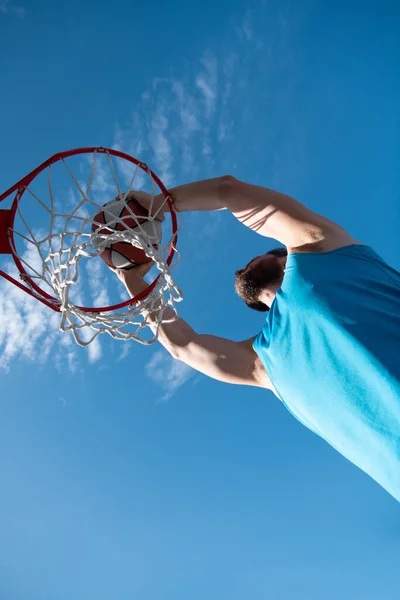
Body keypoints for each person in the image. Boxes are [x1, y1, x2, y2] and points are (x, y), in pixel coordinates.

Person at [114, 176, 400, 503]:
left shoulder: (322, 250)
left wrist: (158, 204)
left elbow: (229, 191)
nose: (240, 269)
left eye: (268, 252)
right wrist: (129, 277)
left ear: (285, 257)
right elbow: (182, 346)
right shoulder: (264, 362)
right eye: (240, 270)